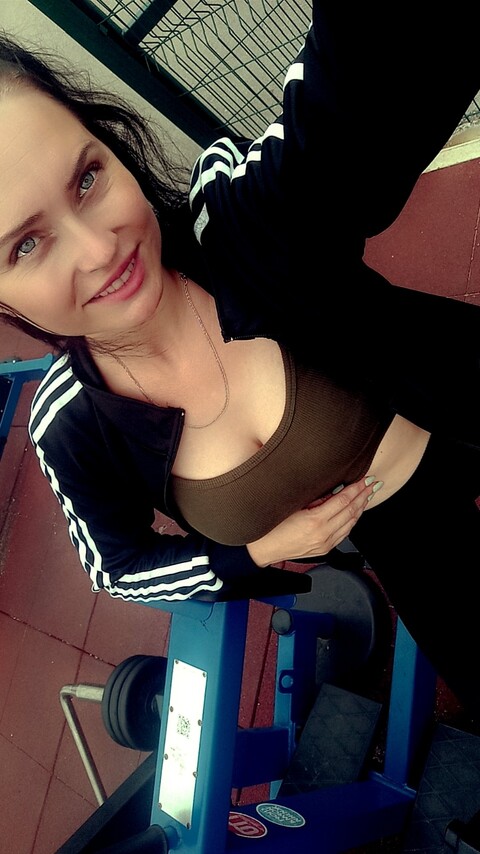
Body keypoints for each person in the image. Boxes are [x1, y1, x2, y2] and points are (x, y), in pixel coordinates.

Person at [0, 4, 479, 717]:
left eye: (88, 179)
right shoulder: (71, 427)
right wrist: (253, 552)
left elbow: (356, 99)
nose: (100, 250)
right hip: (408, 539)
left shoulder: (231, 224)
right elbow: (117, 568)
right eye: (26, 245)